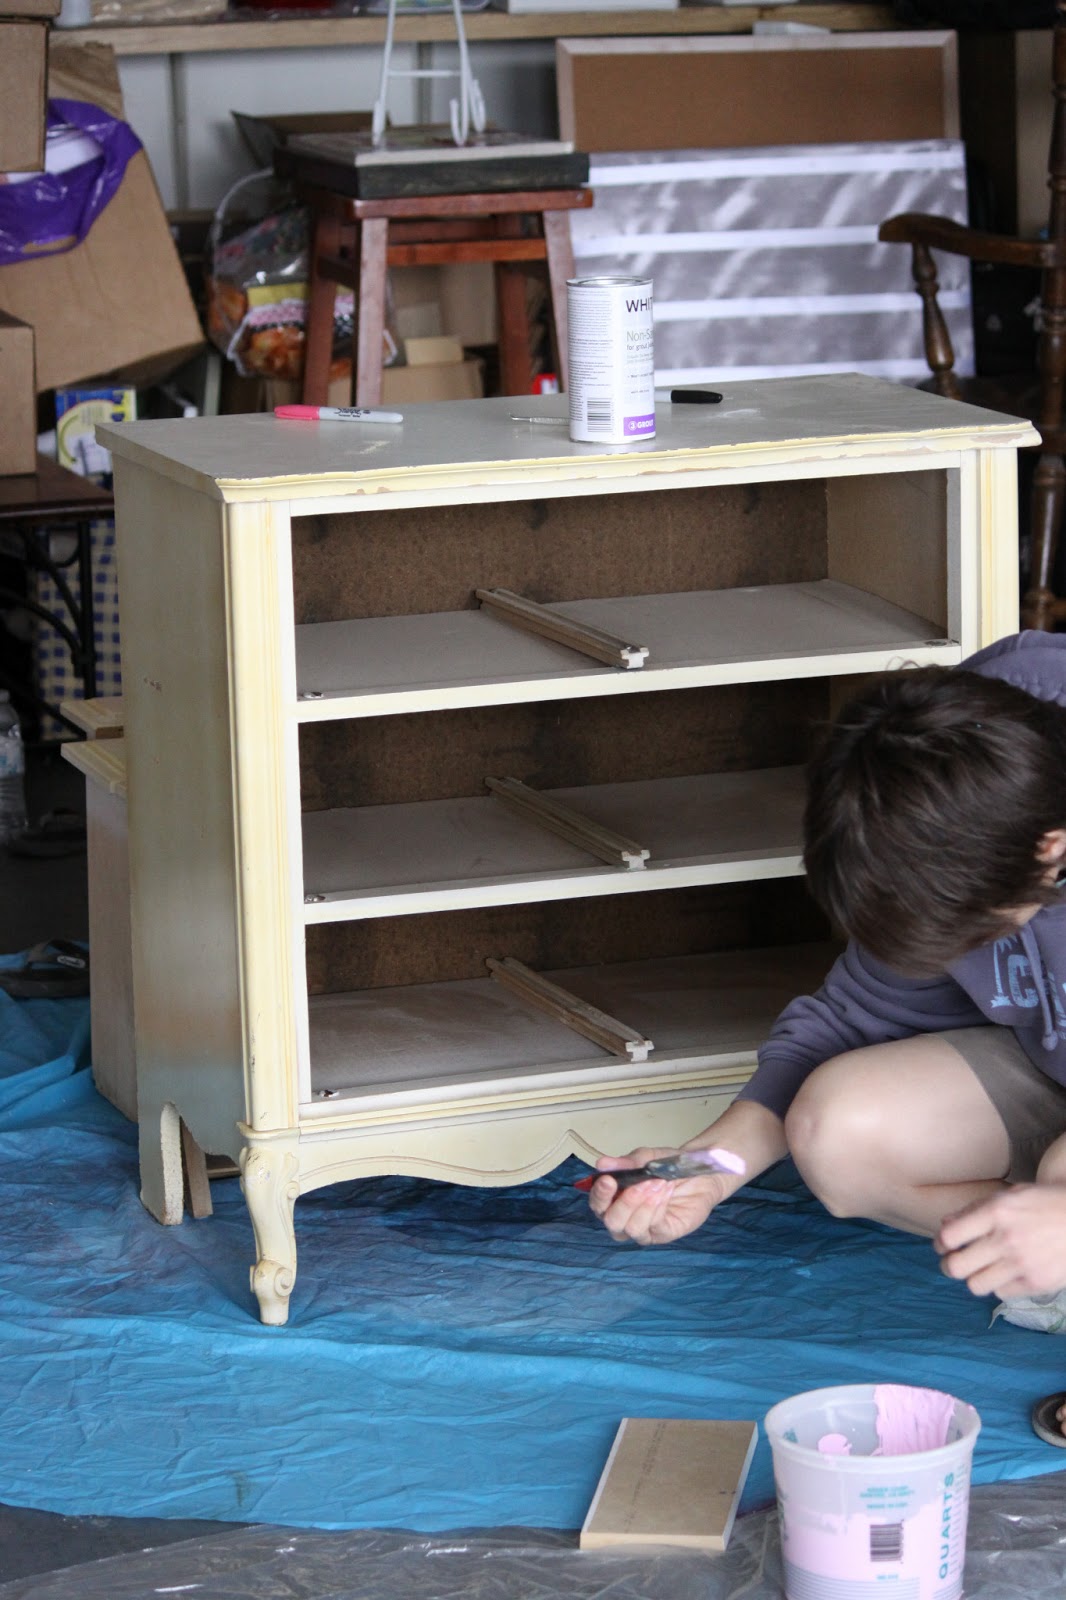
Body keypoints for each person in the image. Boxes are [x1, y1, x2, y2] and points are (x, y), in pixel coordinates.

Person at [585, 630, 1066, 1445]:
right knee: (836, 1131)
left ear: (1050, 853)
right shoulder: (933, 784)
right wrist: (702, 1171)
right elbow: (844, 1020)